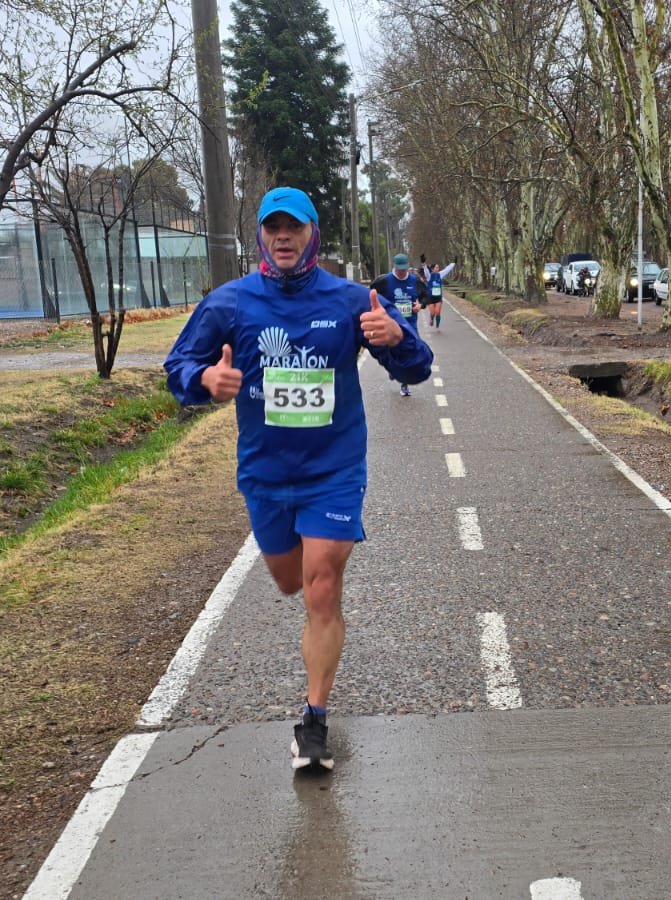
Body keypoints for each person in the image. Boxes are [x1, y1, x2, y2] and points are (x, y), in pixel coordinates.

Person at [163, 187, 433, 772]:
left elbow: (416, 367)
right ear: (261, 235)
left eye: (295, 226)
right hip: (266, 473)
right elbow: (177, 367)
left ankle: (313, 722)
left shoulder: (351, 300)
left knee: (322, 585)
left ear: (313, 233)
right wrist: (204, 380)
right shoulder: (229, 304)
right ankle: (304, 610)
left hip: (334, 469)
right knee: (290, 582)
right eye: (273, 227)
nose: (283, 236)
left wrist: (399, 339)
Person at [369, 254, 429, 396]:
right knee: (390, 349)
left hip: (410, 323)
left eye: (404, 269)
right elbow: (370, 294)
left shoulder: (415, 281)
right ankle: (393, 369)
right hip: (391, 323)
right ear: (394, 267)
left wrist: (420, 305)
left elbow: (426, 296)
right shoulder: (383, 281)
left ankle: (404, 384)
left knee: (409, 350)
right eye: (399, 269)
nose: (401, 272)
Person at [420, 258, 456, 331]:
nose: (438, 269)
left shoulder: (440, 274)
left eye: (438, 267)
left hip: (438, 297)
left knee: (438, 312)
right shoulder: (429, 276)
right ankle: (431, 318)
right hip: (430, 297)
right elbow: (426, 271)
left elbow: (447, 269)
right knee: (433, 313)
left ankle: (437, 327)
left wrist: (454, 263)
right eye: (436, 267)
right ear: (432, 269)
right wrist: (423, 264)